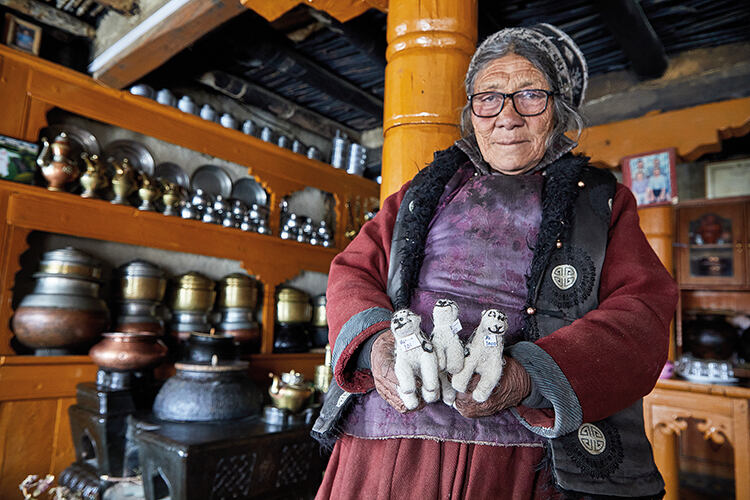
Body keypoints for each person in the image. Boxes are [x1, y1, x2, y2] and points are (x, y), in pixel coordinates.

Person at [313, 23, 677, 499]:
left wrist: (527, 375)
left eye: (530, 94)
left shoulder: (602, 202)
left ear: (559, 111)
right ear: (472, 113)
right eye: (489, 97)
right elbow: (353, 271)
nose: (507, 116)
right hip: (387, 440)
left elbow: (642, 313)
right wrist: (379, 346)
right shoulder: (422, 193)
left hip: (518, 455)